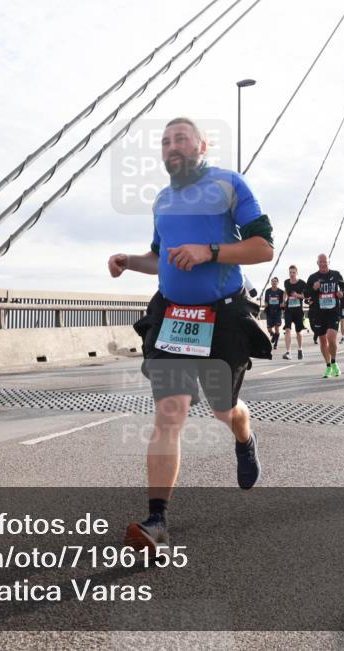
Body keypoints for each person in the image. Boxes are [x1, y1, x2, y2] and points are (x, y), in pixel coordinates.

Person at [107, 117, 273, 550]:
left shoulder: (229, 184)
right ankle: (156, 522)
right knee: (170, 412)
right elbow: (161, 256)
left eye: (180, 138)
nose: (171, 146)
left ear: (202, 144)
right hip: (173, 316)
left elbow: (263, 247)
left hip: (221, 315)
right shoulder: (162, 199)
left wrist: (211, 251)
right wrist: (130, 260)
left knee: (224, 411)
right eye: (164, 141)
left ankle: (244, 434)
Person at [305, 254, 343, 378]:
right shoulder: (312, 277)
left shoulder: (336, 275)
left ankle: (334, 362)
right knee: (322, 340)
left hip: (333, 312)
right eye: (320, 262)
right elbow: (306, 294)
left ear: (328, 262)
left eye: (325, 262)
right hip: (318, 313)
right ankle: (328, 366)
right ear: (317, 263)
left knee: (331, 338)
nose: (323, 264)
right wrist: (313, 288)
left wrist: (341, 293)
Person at [282, 265, 307, 360]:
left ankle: (300, 349)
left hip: (298, 310)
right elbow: (285, 292)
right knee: (287, 330)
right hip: (288, 310)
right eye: (290, 272)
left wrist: (297, 295)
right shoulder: (286, 282)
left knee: (298, 331)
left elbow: (306, 296)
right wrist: (284, 300)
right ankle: (288, 352)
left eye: (293, 272)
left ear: (297, 273)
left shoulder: (302, 283)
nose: (292, 274)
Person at [262, 277, 284, 349]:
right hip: (269, 311)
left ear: (277, 282)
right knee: (269, 329)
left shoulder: (281, 292)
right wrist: (265, 304)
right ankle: (274, 335)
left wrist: (282, 304)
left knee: (277, 328)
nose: (274, 282)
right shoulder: (267, 291)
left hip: (277, 312)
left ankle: (276, 344)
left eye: (275, 281)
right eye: (273, 281)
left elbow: (283, 301)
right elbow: (266, 300)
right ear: (271, 283)